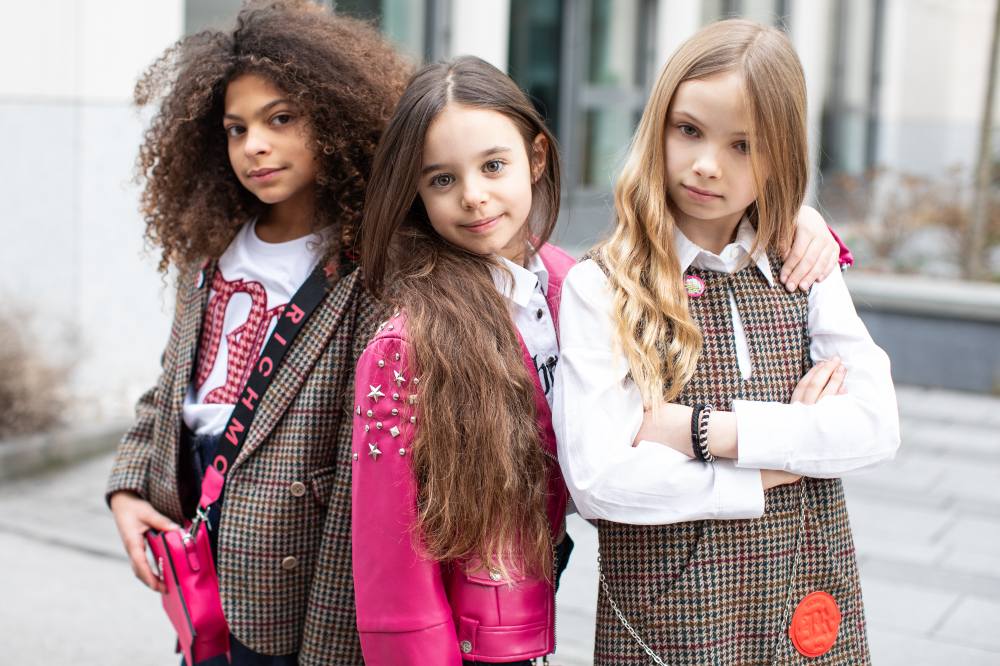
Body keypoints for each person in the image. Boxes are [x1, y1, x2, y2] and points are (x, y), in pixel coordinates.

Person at [554, 19, 900, 665]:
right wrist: (788, 456)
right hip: (672, 616)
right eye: (688, 130)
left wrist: (703, 435)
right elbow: (602, 481)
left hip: (804, 591)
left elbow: (876, 428)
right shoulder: (599, 288)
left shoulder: (802, 268)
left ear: (782, 156)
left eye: (744, 145)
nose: (707, 164)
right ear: (658, 123)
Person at [105, 2, 409, 663]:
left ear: (334, 117)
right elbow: (171, 389)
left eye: (280, 119)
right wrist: (127, 487)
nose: (255, 146)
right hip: (197, 564)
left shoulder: (370, 271)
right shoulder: (211, 253)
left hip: (292, 600)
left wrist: (329, 648)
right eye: (236, 129)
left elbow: (365, 480)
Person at [349, 55, 574, 665]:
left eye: (494, 165)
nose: (474, 197)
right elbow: (391, 550)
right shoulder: (407, 346)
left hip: (545, 589)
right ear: (418, 194)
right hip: (467, 638)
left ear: (536, 158)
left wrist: (800, 224)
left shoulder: (573, 287)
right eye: (442, 180)